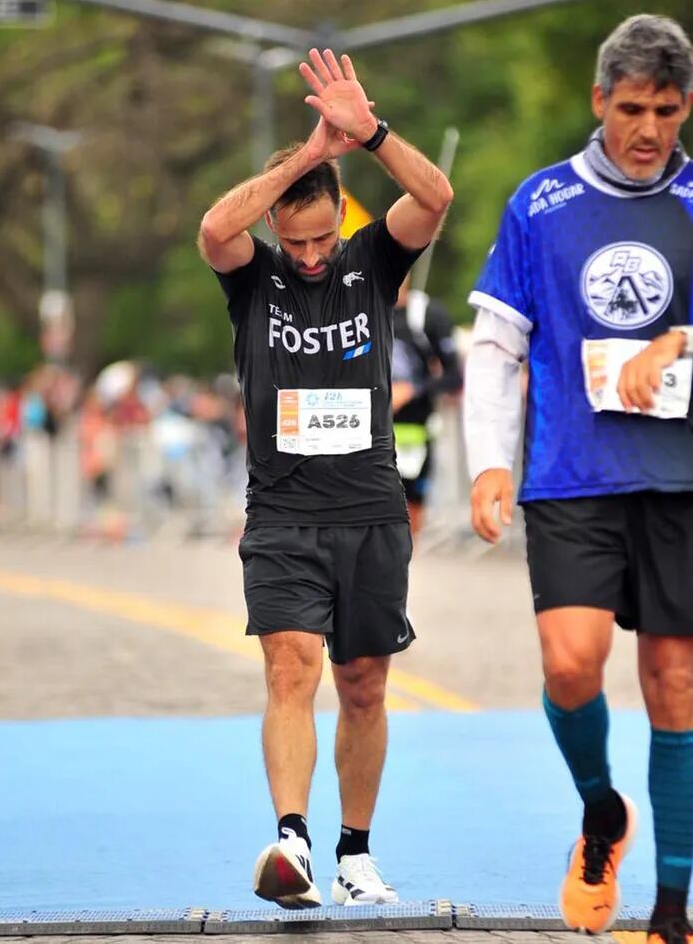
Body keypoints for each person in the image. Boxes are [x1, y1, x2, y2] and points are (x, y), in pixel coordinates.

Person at [198, 47, 453, 909]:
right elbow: (213, 229)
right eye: (295, 240)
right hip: (281, 515)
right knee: (290, 668)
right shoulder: (255, 276)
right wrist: (306, 154)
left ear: (342, 219)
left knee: (364, 684)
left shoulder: (372, 261)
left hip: (371, 510)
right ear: (277, 227)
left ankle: (355, 854)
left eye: (321, 238)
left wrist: (369, 134)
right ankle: (292, 841)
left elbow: (436, 198)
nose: (309, 255)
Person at [464, 15, 693, 944]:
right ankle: (601, 810)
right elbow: (496, 344)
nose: (648, 130)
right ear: (599, 101)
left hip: (679, 480)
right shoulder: (540, 202)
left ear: (686, 108)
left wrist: (678, 341)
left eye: (666, 111)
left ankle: (672, 907)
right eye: (632, 109)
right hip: (572, 474)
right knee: (569, 663)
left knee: (675, 680)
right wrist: (489, 460)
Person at [392, 278, 462, 537]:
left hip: (414, 431)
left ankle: (406, 559)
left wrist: (412, 389)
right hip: (364, 428)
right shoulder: (354, 308)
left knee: (410, 504)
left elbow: (454, 376)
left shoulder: (427, 315)